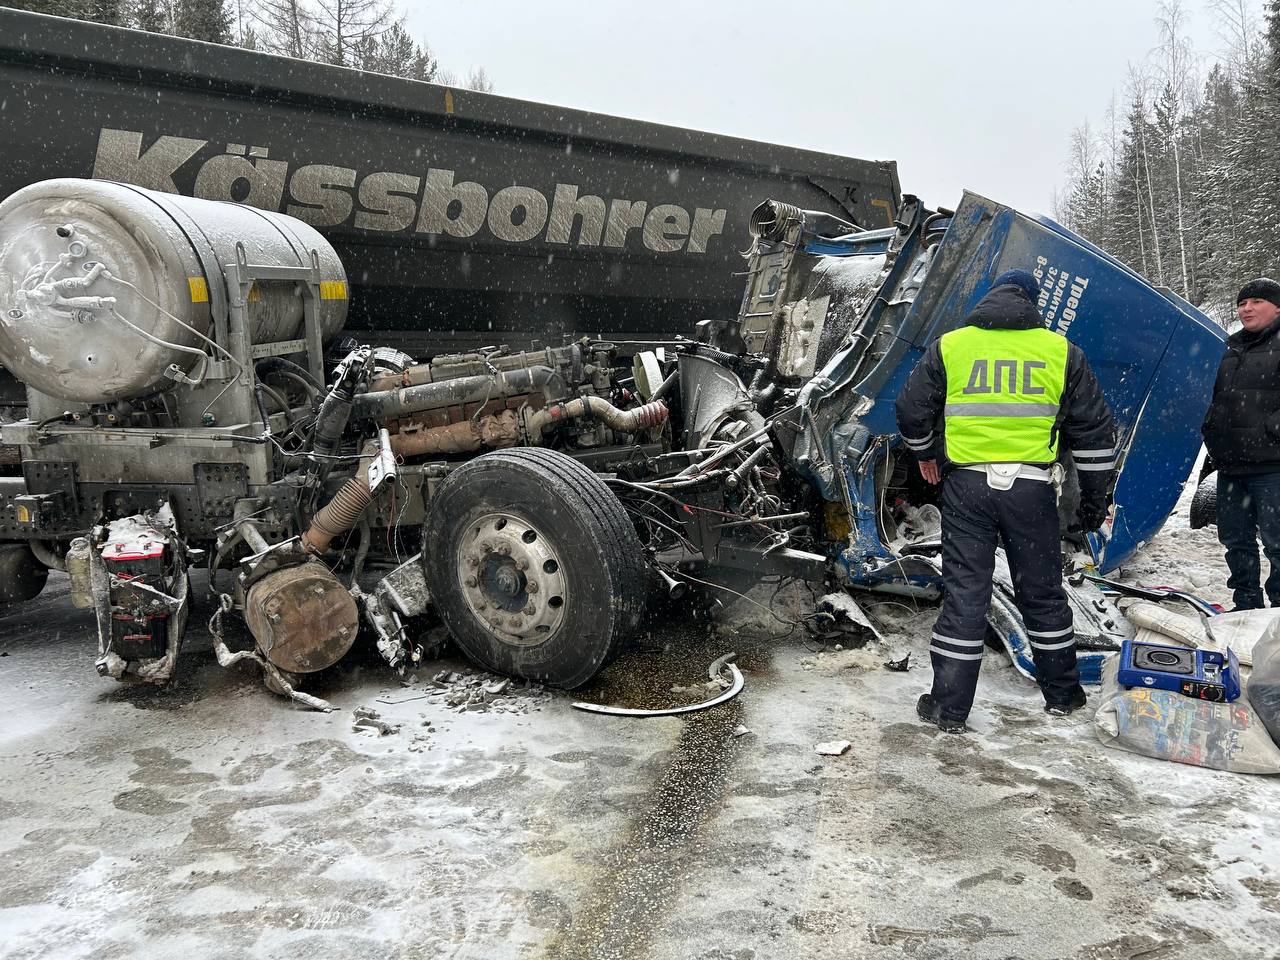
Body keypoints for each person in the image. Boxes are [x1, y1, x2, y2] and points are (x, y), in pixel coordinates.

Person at [895, 269, 1117, 733]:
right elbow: (1094, 434)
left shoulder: (952, 345)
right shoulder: (1061, 352)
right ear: (1032, 304)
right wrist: (1094, 501)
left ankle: (949, 708)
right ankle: (1063, 694)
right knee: (1041, 592)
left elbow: (912, 409)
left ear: (989, 299)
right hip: (1032, 491)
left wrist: (925, 454)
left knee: (965, 596)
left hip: (967, 488)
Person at [1201, 278, 1280, 610]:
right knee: (1235, 541)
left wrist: (1271, 428)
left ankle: (1278, 611)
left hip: (1272, 465)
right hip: (1231, 464)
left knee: (1277, 545)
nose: (1246, 308)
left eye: (1256, 301)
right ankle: (1246, 604)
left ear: (1277, 307)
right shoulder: (1233, 347)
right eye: (1242, 302)